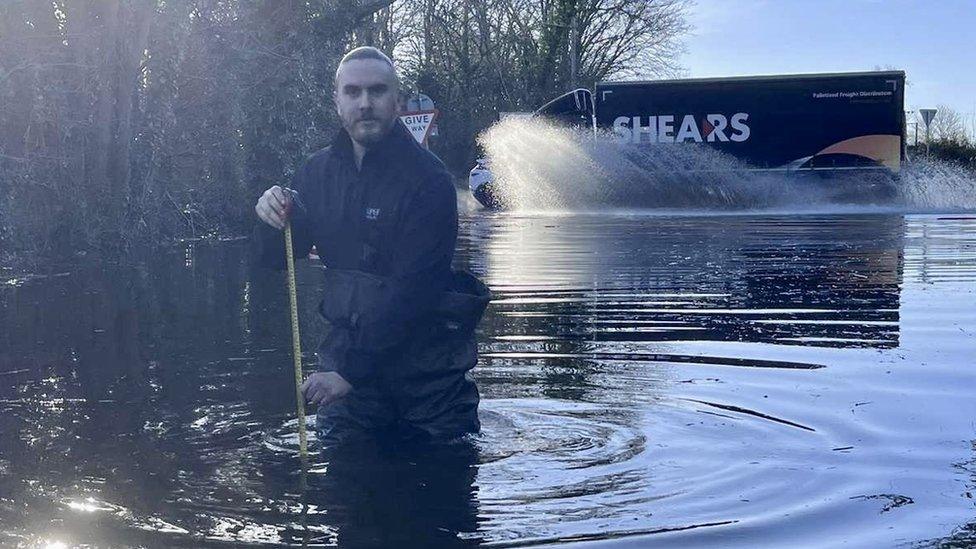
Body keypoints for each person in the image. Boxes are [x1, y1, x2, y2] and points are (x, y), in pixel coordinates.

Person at [253, 46, 490, 446]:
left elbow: (415, 292)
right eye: (353, 92)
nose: (365, 103)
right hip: (351, 384)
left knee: (438, 494)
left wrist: (347, 374)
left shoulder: (429, 180)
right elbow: (277, 258)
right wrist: (268, 218)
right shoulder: (316, 173)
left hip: (429, 385)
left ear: (397, 101)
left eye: (377, 91)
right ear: (337, 100)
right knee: (344, 499)